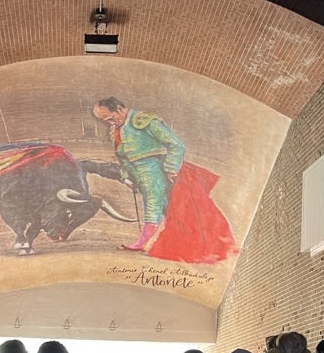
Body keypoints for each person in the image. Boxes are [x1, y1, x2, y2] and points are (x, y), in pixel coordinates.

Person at [92, 97, 236, 263]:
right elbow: (123, 159)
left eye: (110, 118)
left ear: (119, 109)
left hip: (158, 172)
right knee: (169, 210)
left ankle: (142, 243)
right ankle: (179, 242)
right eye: (104, 120)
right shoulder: (118, 129)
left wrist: (170, 169)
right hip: (141, 177)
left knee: (154, 206)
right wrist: (127, 177)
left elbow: (177, 145)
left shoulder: (144, 121)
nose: (109, 123)